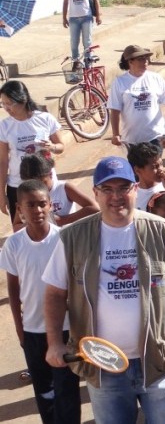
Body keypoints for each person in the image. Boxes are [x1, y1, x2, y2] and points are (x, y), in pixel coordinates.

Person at [42, 156, 165, 422]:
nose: (117, 197)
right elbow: (55, 294)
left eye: (124, 188)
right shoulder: (71, 237)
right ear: (96, 194)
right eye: (108, 189)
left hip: (157, 362)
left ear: (135, 189)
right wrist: (54, 342)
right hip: (102, 364)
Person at [1, 180, 81, 424]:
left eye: (42, 204)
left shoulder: (65, 239)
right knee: (44, 393)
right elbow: (13, 290)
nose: (37, 210)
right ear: (19, 209)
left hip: (65, 329)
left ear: (50, 206)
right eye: (30, 205)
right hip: (32, 331)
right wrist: (19, 328)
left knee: (67, 392)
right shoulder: (14, 244)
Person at [0, 81, 64, 222]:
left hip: (45, 184)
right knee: (22, 229)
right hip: (18, 185)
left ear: (23, 99)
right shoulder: (4, 126)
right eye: (3, 103)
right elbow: (3, 162)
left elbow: (60, 146)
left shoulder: (45, 119)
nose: (6, 108)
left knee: (51, 226)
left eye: (10, 103)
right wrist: (1, 194)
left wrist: (52, 147)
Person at [16, 152, 99, 230]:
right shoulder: (25, 195)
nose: (38, 188)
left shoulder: (63, 188)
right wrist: (30, 224)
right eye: (32, 184)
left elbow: (94, 208)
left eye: (42, 183)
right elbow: (16, 226)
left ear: (50, 175)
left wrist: (62, 220)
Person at [127, 142, 165, 211]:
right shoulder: (131, 194)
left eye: (161, 164)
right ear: (137, 170)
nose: (161, 169)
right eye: (155, 167)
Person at [62, 0, 101, 67]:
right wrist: (64, 18)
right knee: (74, 43)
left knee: (87, 42)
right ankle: (76, 62)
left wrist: (98, 15)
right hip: (73, 18)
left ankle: (88, 62)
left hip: (86, 17)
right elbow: (65, 2)